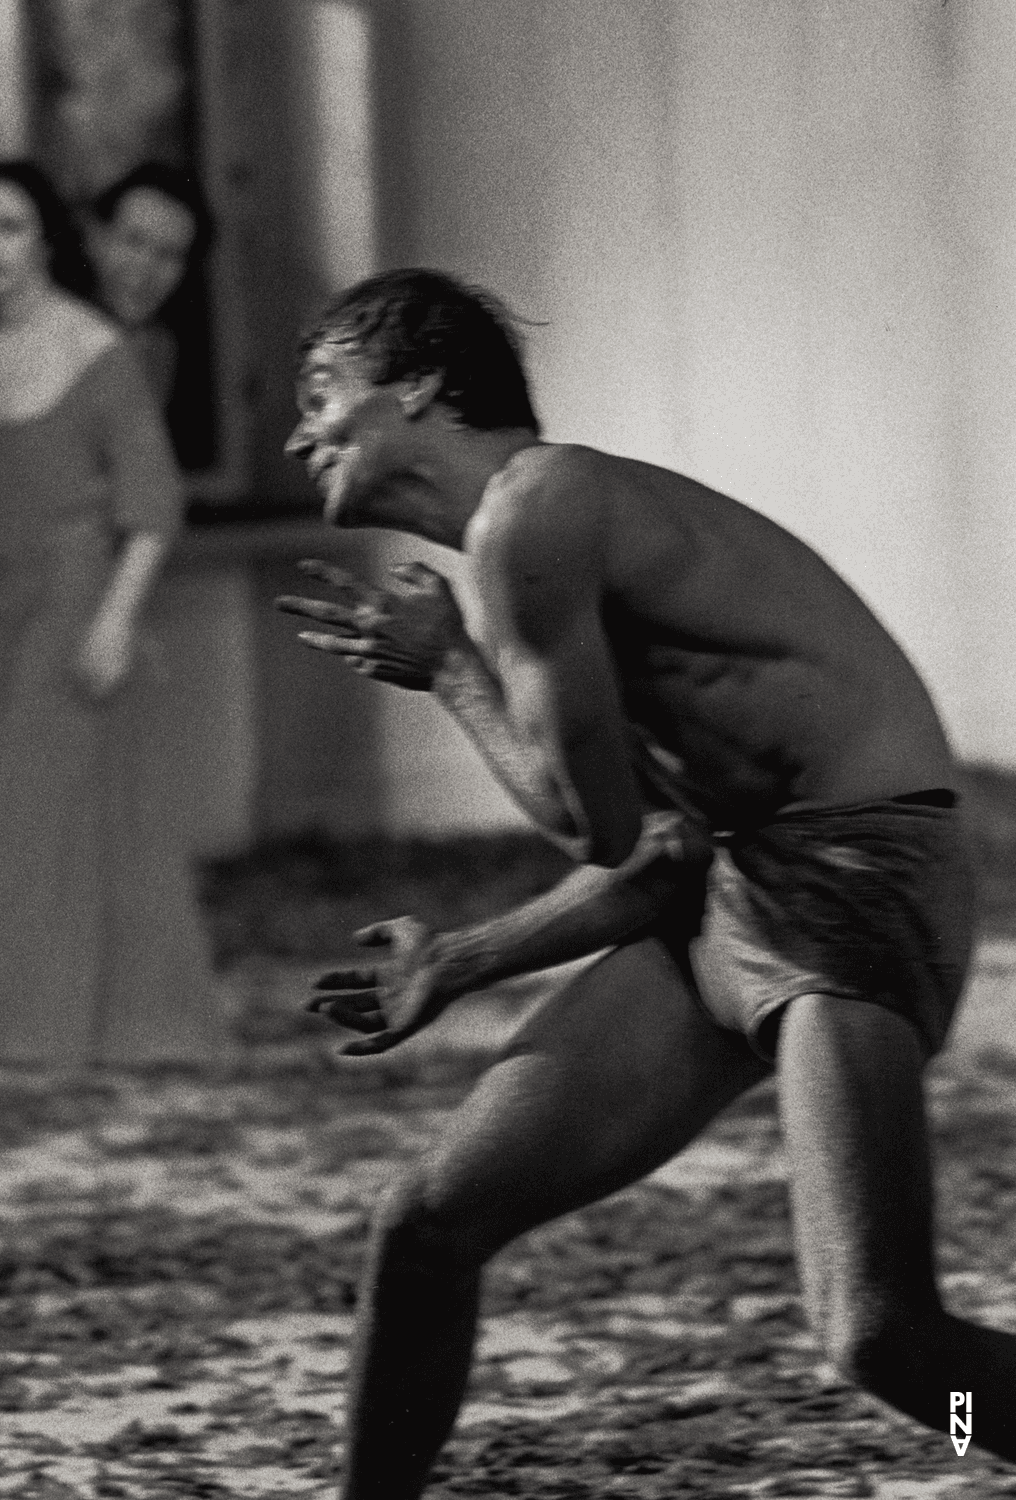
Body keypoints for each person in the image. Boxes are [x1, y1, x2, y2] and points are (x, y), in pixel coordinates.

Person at [277, 267, 1015, 1497]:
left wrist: (451, 671)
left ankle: (986, 1434)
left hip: (857, 878)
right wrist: (459, 962)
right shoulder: (529, 542)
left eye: (322, 395)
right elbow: (664, 854)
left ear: (416, 389)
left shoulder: (536, 512)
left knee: (881, 1339)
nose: (300, 432)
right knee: (425, 1224)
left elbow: (594, 828)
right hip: (742, 892)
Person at [0, 160, 219, 1069]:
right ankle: (77, 1023)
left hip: (78, 600)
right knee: (60, 819)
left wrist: (114, 619)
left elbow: (149, 503)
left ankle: (19, 1031)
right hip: (8, 613)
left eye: (8, 226)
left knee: (33, 816)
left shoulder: (106, 348)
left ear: (47, 236)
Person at [87, 162, 217, 472]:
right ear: (95, 238)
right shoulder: (43, 336)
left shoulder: (158, 349)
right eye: (133, 241)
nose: (146, 268)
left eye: (169, 254)